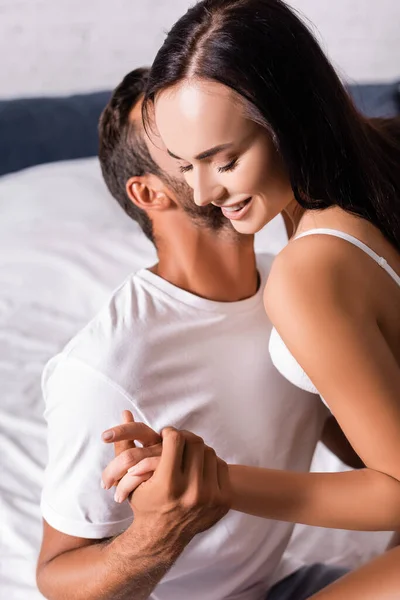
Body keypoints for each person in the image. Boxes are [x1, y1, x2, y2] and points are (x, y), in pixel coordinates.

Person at [35, 67, 355, 600]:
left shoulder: (292, 286)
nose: (210, 149)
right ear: (148, 192)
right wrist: (161, 533)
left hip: (279, 585)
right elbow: (56, 578)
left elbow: (351, 441)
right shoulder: (107, 366)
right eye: (179, 147)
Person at [116, 0, 400, 597]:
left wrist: (220, 484)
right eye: (184, 165)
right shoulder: (384, 156)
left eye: (224, 161)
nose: (200, 191)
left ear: (290, 122)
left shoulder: (306, 273)